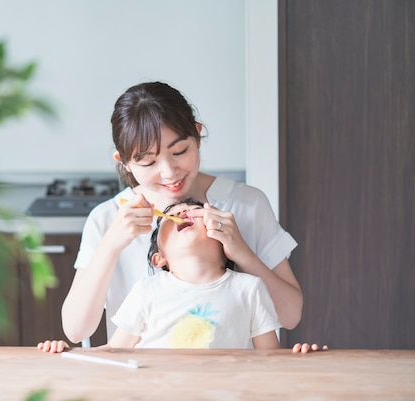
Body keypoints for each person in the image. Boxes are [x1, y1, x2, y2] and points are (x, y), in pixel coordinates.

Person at [61, 81, 303, 345]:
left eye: (180, 151)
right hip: (139, 382)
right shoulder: (106, 218)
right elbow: (76, 331)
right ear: (125, 163)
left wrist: (242, 253)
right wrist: (110, 245)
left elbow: (290, 316)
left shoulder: (246, 203)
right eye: (148, 162)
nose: (169, 172)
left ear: (197, 135)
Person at [41, 199, 326, 353]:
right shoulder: (145, 291)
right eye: (172, 215)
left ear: (224, 240)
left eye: (196, 210)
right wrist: (68, 352)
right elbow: (114, 350)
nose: (184, 211)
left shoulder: (250, 289)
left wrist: (300, 357)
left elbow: (271, 361)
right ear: (159, 258)